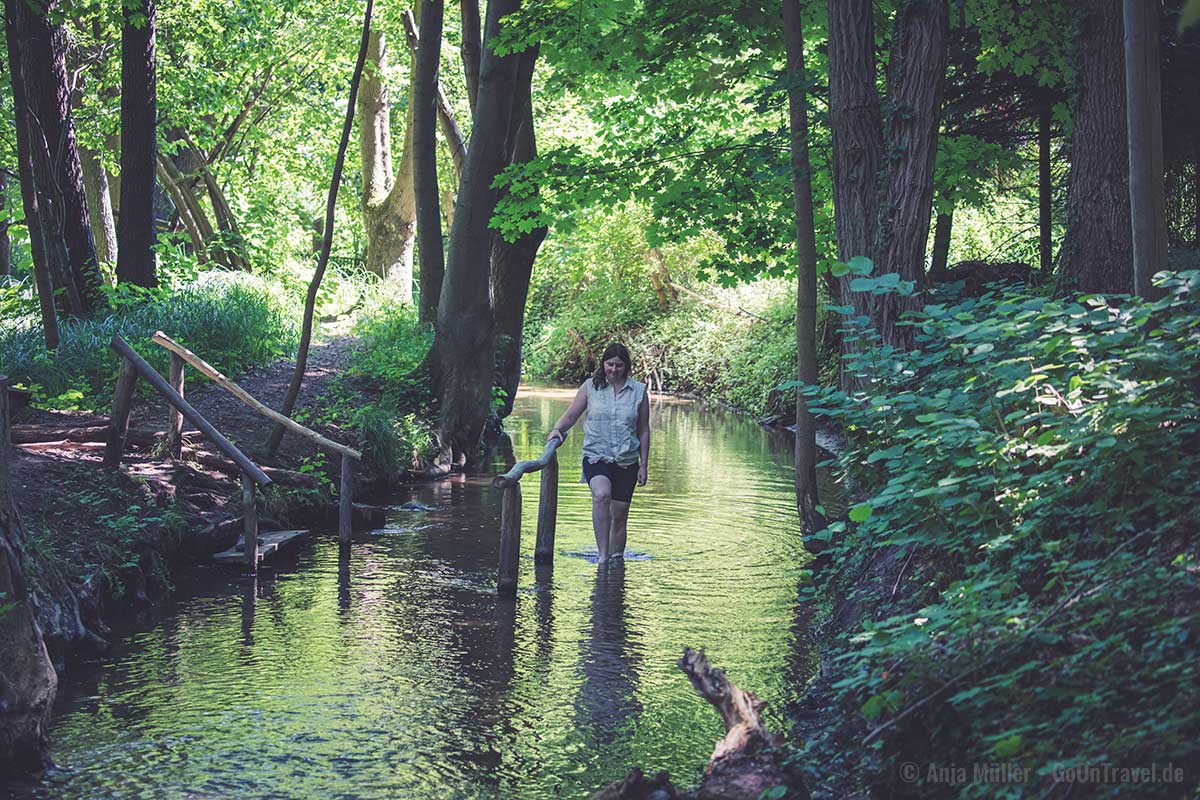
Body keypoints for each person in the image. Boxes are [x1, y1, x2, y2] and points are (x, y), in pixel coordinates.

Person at [546, 343, 650, 564]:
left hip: (627, 459)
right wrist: (557, 429)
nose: (614, 370)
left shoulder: (639, 391)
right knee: (601, 495)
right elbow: (571, 415)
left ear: (626, 366)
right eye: (610, 364)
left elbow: (643, 429)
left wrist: (643, 464)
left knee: (619, 516)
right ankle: (602, 558)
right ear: (603, 364)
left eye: (619, 365)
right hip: (596, 455)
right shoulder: (589, 388)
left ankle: (616, 560)